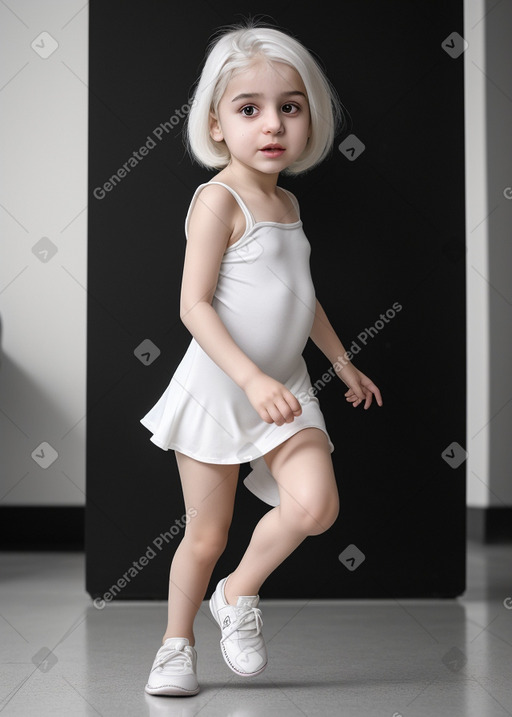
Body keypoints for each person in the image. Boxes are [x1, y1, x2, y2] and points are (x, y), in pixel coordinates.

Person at [141, 20, 383, 697]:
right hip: (223, 388)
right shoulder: (217, 200)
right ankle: (175, 644)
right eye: (249, 108)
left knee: (314, 506)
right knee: (206, 534)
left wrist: (339, 361)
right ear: (217, 122)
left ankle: (237, 594)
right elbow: (194, 306)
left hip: (287, 385)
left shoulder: (288, 200)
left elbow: (298, 296)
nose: (271, 123)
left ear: (309, 118)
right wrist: (247, 375)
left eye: (290, 106)